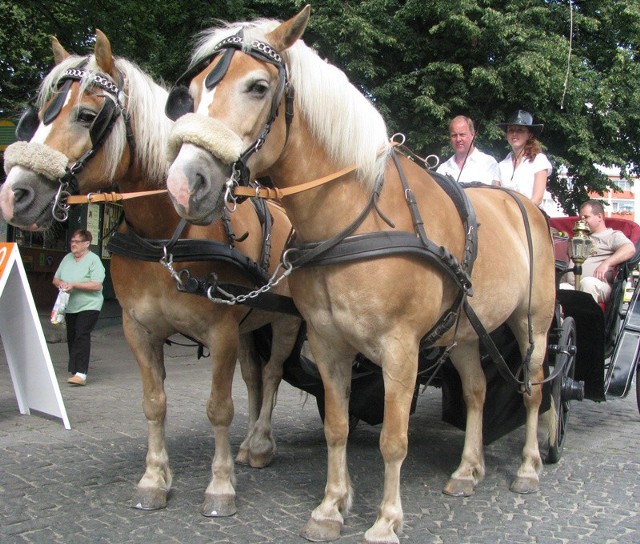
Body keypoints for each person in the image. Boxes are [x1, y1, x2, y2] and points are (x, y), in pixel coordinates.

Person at [53, 229, 105, 386]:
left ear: (87, 244)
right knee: (72, 336)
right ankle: (75, 369)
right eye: (72, 241)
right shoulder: (67, 258)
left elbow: (97, 285)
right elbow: (56, 278)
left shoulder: (94, 260)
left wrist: (74, 285)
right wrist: (61, 284)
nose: (73, 244)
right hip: (70, 305)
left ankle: (81, 373)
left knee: (82, 335)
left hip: (89, 305)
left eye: (77, 242)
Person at [560, 200, 636, 304]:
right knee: (560, 288)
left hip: (598, 285)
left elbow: (629, 248)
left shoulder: (612, 235)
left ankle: (586, 320)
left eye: (586, 217)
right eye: (580, 218)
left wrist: (606, 263)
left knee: (587, 283)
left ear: (599, 216)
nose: (582, 221)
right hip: (572, 285)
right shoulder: (579, 237)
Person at [494, 109, 552, 206]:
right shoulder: (501, 165)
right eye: (511, 130)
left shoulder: (539, 160)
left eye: (520, 130)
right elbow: (494, 196)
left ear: (529, 135)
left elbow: (537, 199)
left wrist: (518, 215)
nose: (514, 134)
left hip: (533, 216)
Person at [436, 115, 498, 183]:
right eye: (454, 135)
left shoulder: (489, 163)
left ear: (473, 135)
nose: (458, 139)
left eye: (462, 134)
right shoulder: (442, 170)